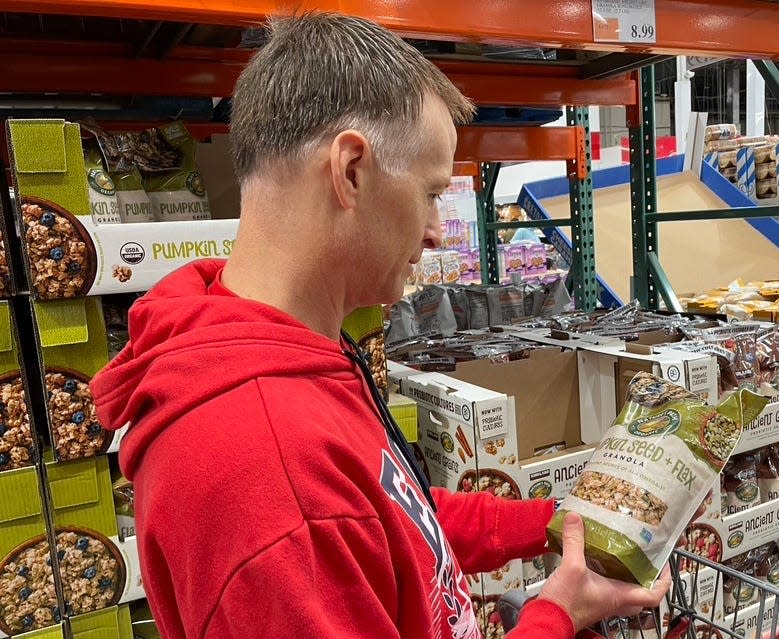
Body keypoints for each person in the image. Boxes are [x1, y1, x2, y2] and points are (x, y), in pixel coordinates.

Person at [91, 12, 670, 639]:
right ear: (351, 171)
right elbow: (332, 521)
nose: (438, 230)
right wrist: (556, 617)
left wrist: (557, 523)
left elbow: (389, 518)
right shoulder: (268, 476)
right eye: (430, 192)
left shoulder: (288, 351)